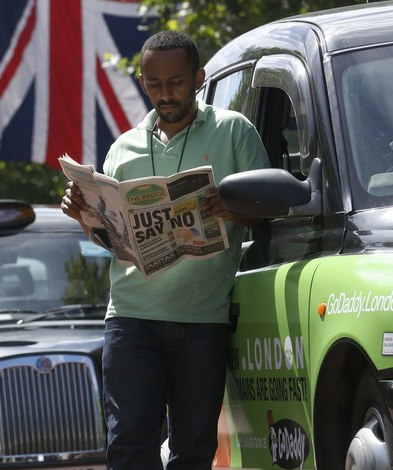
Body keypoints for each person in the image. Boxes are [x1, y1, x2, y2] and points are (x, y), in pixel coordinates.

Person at [61, 31, 268, 469]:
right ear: (142, 82)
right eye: (154, 84)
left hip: (202, 318)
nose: (165, 94)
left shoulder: (234, 131)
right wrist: (84, 216)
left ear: (198, 77)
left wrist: (233, 210)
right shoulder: (123, 148)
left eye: (175, 82)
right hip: (132, 318)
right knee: (130, 445)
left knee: (193, 449)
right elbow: (111, 240)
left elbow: (267, 212)